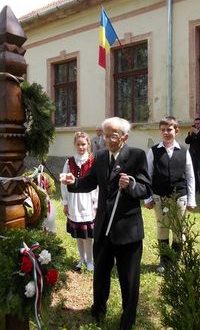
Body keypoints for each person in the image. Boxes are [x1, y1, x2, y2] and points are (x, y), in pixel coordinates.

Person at [61, 117, 151, 330]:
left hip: (127, 231)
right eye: (104, 135)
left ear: (124, 137)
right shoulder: (100, 157)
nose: (107, 140)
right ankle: (98, 310)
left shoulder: (136, 156)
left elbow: (146, 189)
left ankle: (127, 320)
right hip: (103, 227)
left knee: (129, 279)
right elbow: (90, 182)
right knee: (100, 274)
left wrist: (131, 185)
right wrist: (74, 182)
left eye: (113, 135)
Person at [145, 116, 196, 273]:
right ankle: (164, 260)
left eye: (169, 129)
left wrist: (191, 199)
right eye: (163, 130)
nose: (166, 133)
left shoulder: (184, 152)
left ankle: (175, 261)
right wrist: (148, 197)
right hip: (159, 198)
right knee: (162, 227)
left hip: (180, 197)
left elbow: (190, 176)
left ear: (177, 131)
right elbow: (147, 175)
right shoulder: (154, 151)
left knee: (179, 229)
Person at [61, 131, 98, 272]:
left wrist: (96, 204)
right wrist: (65, 202)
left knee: (88, 235)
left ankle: (90, 260)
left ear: (88, 144)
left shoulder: (93, 161)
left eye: (83, 144)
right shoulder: (69, 162)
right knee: (79, 234)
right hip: (74, 201)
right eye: (78, 144)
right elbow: (64, 183)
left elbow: (98, 185)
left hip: (88, 201)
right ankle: (81, 258)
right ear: (75, 145)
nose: (81, 147)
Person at [185, 117, 200, 193]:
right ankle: (195, 188)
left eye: (198, 123)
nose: (196, 125)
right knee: (193, 172)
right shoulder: (192, 132)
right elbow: (187, 141)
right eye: (195, 123)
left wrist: (196, 132)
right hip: (192, 156)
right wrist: (190, 134)